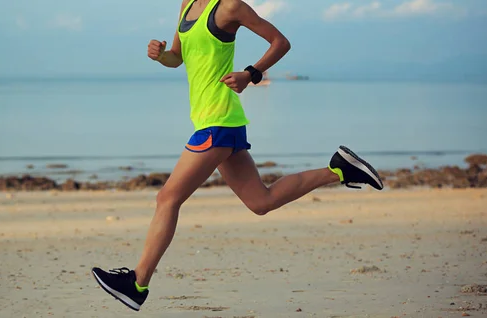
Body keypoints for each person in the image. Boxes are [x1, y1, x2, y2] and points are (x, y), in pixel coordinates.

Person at [91, 0, 383, 311]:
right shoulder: (186, 5)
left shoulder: (230, 7)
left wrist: (251, 74)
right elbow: (177, 58)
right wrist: (161, 54)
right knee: (261, 202)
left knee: (167, 198)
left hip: (218, 121)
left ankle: (138, 283)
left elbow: (280, 42)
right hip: (214, 121)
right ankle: (339, 169)